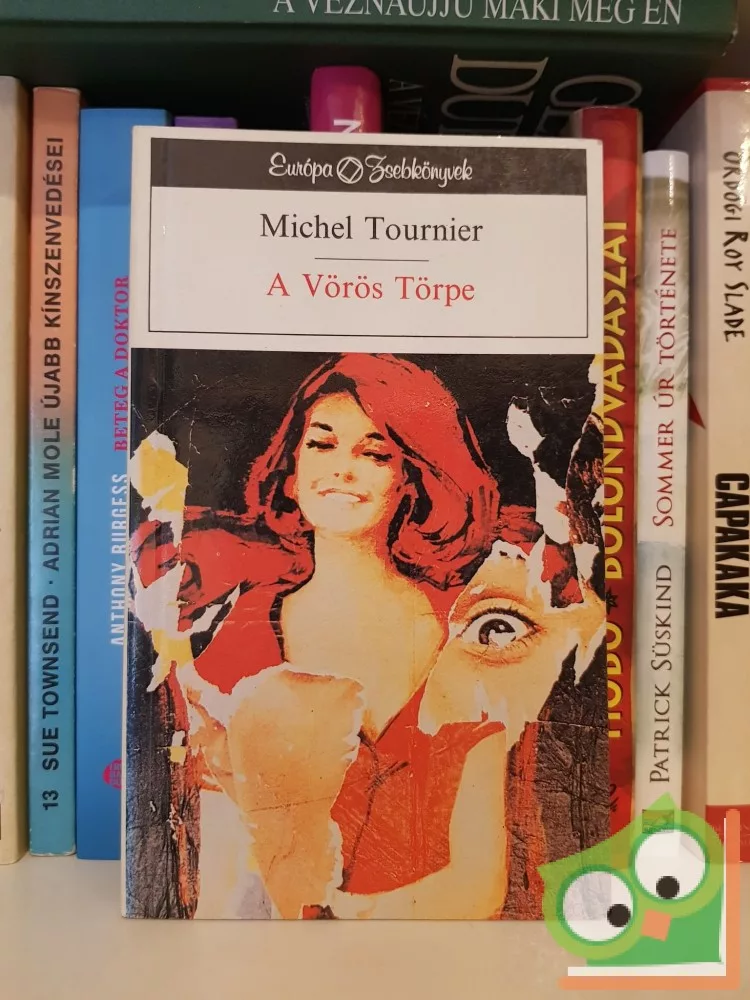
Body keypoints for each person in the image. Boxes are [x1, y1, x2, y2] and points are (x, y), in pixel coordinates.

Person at [131, 353, 509, 918]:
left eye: (375, 453)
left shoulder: (469, 625)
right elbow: (226, 879)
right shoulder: (239, 634)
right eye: (322, 444)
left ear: (411, 477)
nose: (342, 470)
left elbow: (482, 884)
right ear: (291, 465)